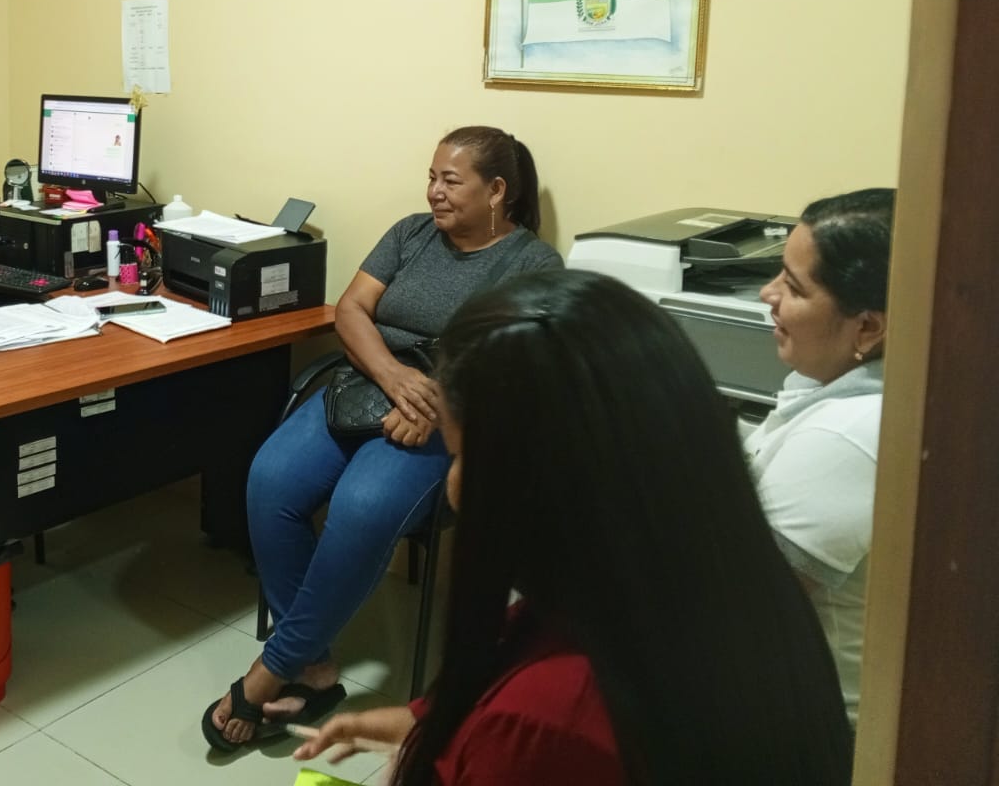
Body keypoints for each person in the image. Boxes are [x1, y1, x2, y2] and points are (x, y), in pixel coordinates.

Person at [295, 271, 854, 786]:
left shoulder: (548, 723)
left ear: (541, 483)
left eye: (462, 455)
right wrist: (423, 725)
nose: (454, 483)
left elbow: (533, 733)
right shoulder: (717, 596)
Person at [202, 126, 561, 751]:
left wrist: (438, 404)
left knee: (361, 507)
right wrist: (395, 377)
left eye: (451, 181)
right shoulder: (410, 234)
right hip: (366, 388)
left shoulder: (532, 264)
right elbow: (351, 310)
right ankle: (313, 664)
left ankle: (273, 670)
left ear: (497, 190)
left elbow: (517, 364)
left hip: (445, 413)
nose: (434, 192)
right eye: (431, 177)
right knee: (269, 480)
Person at [749, 187, 894, 727]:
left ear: (868, 327)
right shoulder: (842, 389)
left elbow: (738, 603)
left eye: (793, 286)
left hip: (812, 731)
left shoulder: (846, 435)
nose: (767, 294)